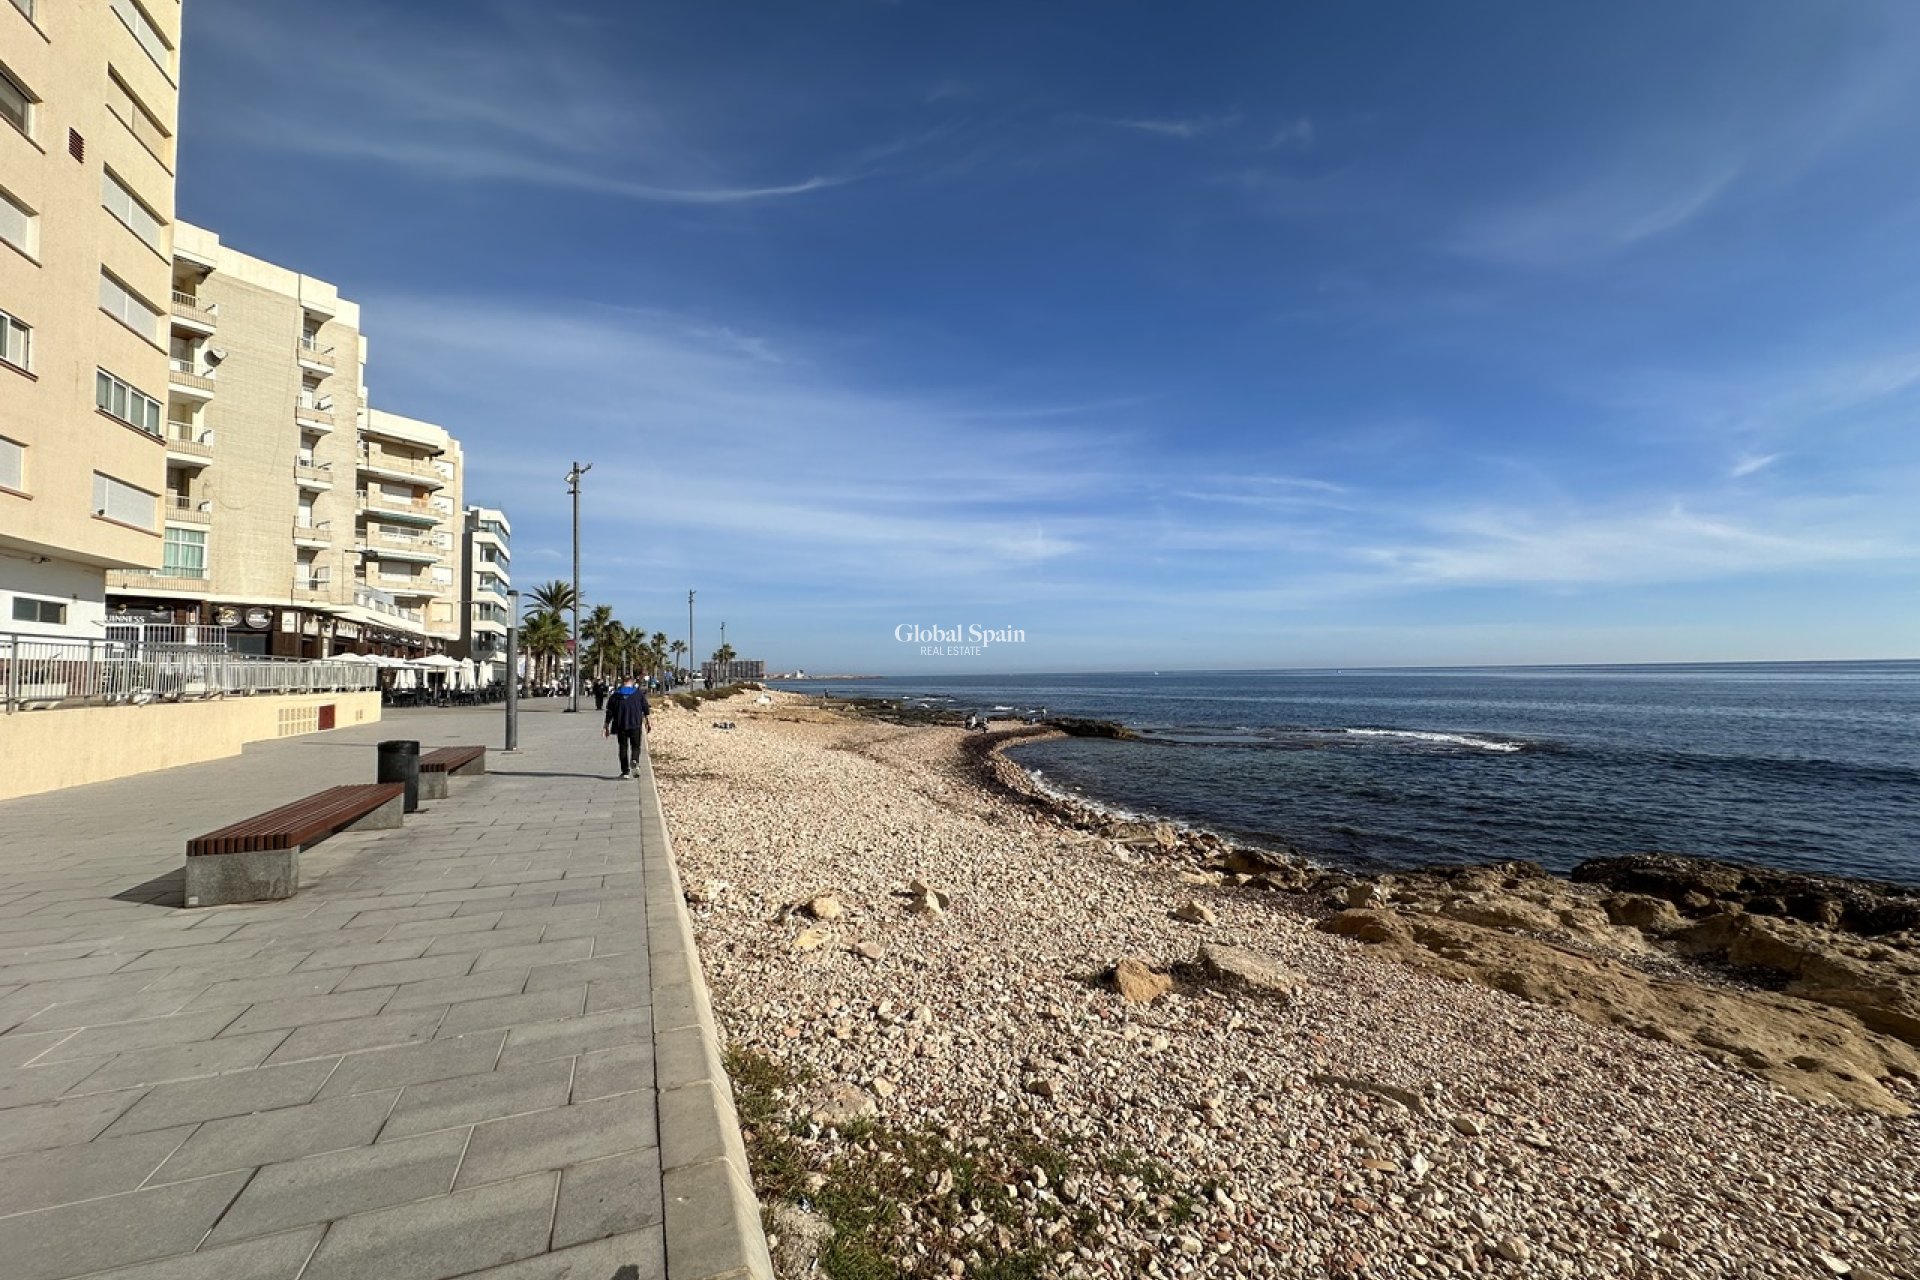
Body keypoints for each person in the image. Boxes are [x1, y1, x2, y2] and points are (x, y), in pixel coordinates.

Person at [603, 676, 651, 779]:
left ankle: (625, 772)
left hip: (620, 725)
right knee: (636, 746)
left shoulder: (615, 695)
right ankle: (634, 760)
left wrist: (606, 725)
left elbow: (609, 711)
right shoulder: (638, 694)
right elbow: (645, 708)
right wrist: (648, 722)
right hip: (635, 724)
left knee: (623, 747)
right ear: (632, 682)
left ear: (622, 682)